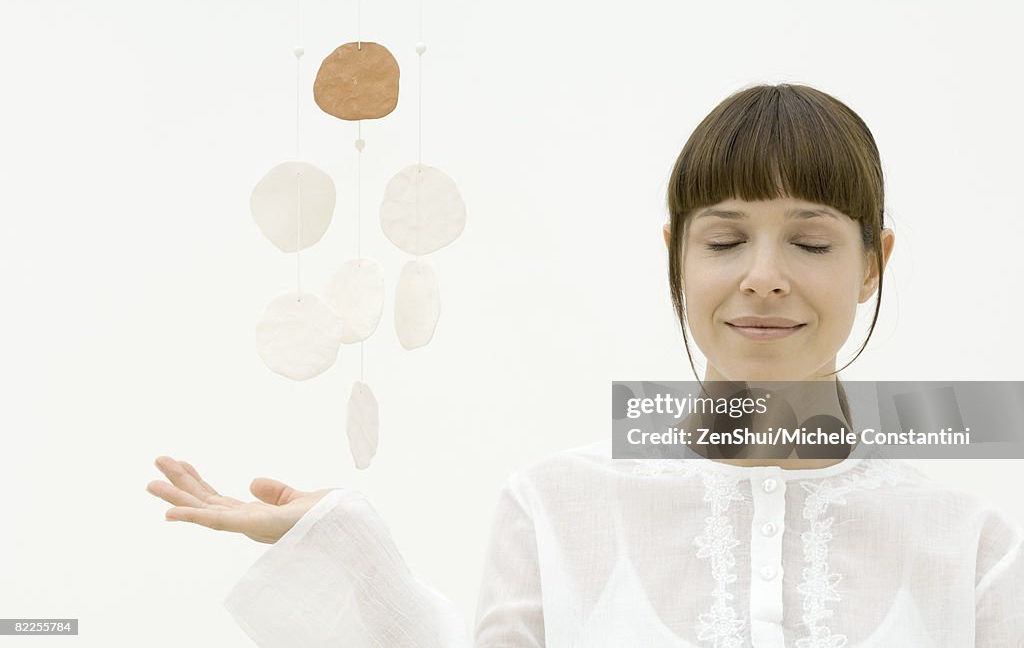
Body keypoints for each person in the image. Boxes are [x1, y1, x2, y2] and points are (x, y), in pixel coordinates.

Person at [146, 84, 1024, 647]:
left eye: (809, 240)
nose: (764, 277)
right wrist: (345, 545)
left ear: (875, 263)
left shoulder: (971, 546)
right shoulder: (557, 509)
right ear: (676, 255)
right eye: (724, 239)